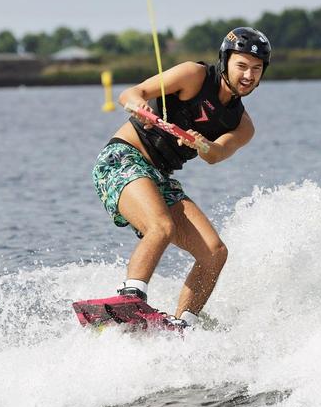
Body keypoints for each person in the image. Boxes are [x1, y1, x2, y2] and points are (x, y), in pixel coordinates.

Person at [91, 27, 271, 329]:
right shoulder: (194, 75)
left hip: (159, 178)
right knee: (161, 226)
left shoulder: (243, 125)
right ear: (225, 61)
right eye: (241, 66)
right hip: (122, 160)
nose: (248, 76)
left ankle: (182, 325)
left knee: (215, 253)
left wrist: (201, 144)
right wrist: (140, 106)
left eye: (256, 69)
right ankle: (130, 297)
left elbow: (215, 154)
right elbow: (130, 94)